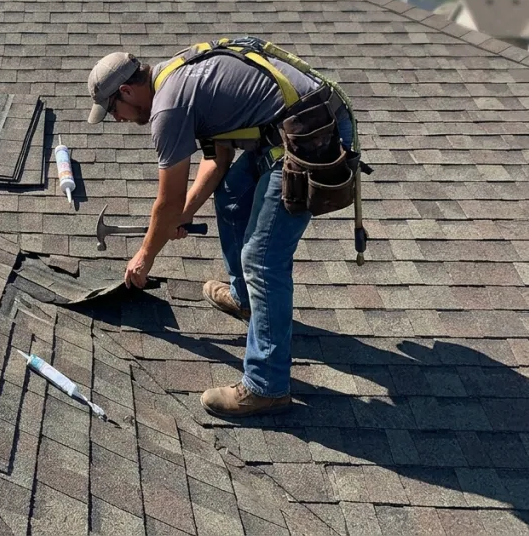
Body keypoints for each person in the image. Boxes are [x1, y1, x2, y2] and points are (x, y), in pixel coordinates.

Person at [85, 45, 354, 418]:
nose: (117, 119)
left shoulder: (167, 109)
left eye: (113, 110)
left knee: (262, 260)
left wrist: (145, 256)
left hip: (313, 138)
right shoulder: (176, 75)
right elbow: (219, 160)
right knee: (231, 194)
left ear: (127, 91)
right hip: (288, 130)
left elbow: (167, 200)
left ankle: (267, 386)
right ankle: (246, 300)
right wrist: (184, 215)